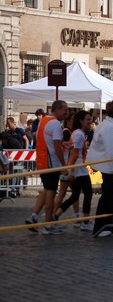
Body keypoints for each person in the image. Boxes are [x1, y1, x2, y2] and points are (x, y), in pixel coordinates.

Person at [27, 100, 69, 235]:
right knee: (51, 193)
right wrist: (64, 165)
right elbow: (56, 146)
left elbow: (49, 142)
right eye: (65, 110)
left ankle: (34, 216)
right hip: (51, 163)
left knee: (46, 190)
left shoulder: (44, 120)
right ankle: (48, 224)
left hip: (42, 160)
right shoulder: (56, 124)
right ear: (57, 109)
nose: (66, 113)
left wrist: (63, 145)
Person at [88, 100, 113, 238]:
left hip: (111, 167)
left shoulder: (107, 125)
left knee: (111, 197)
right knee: (108, 197)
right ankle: (102, 226)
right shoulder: (110, 127)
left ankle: (111, 225)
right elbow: (111, 149)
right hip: (111, 168)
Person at [53, 110, 94, 231]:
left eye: (90, 119)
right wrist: (70, 170)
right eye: (87, 119)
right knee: (88, 193)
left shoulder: (78, 133)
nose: (90, 122)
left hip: (77, 168)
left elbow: (73, 150)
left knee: (75, 195)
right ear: (81, 121)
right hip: (79, 169)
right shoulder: (79, 134)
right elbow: (74, 154)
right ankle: (85, 221)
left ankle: (56, 215)